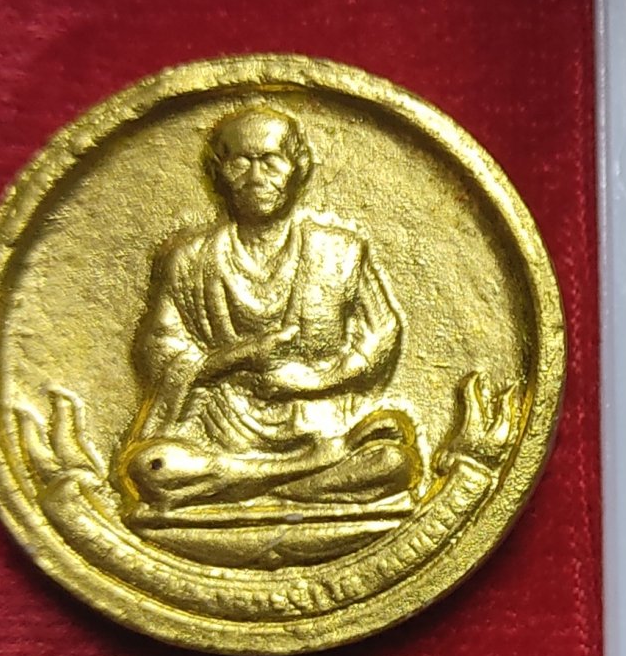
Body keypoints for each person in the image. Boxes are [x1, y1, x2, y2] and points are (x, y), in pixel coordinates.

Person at [117, 105, 419, 510]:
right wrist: (237, 356)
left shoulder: (339, 250)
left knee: (393, 463)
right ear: (218, 172)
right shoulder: (187, 258)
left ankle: (239, 483)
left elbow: (382, 334)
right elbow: (157, 350)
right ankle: (303, 475)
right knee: (152, 467)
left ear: (299, 167)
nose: (256, 177)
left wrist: (316, 381)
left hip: (319, 422)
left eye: (271, 160)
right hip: (221, 427)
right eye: (240, 162)